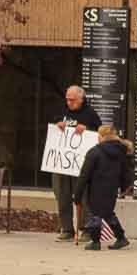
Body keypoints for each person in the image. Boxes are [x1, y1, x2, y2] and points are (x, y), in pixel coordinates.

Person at [54, 85, 103, 241]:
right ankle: (67, 228)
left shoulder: (90, 114)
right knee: (62, 195)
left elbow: (101, 135)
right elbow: (56, 130)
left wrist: (87, 129)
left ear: (81, 99)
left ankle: (86, 229)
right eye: (67, 99)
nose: (69, 103)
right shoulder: (64, 112)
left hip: (82, 163)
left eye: (72, 100)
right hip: (64, 162)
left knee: (83, 196)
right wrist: (59, 126)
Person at [77, 123, 134, 251]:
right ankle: (121, 238)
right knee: (108, 213)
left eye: (98, 135)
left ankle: (95, 242)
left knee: (95, 214)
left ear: (102, 136)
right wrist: (125, 187)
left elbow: (84, 175)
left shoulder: (94, 152)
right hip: (112, 188)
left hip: (96, 189)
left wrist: (78, 194)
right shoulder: (122, 151)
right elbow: (126, 171)